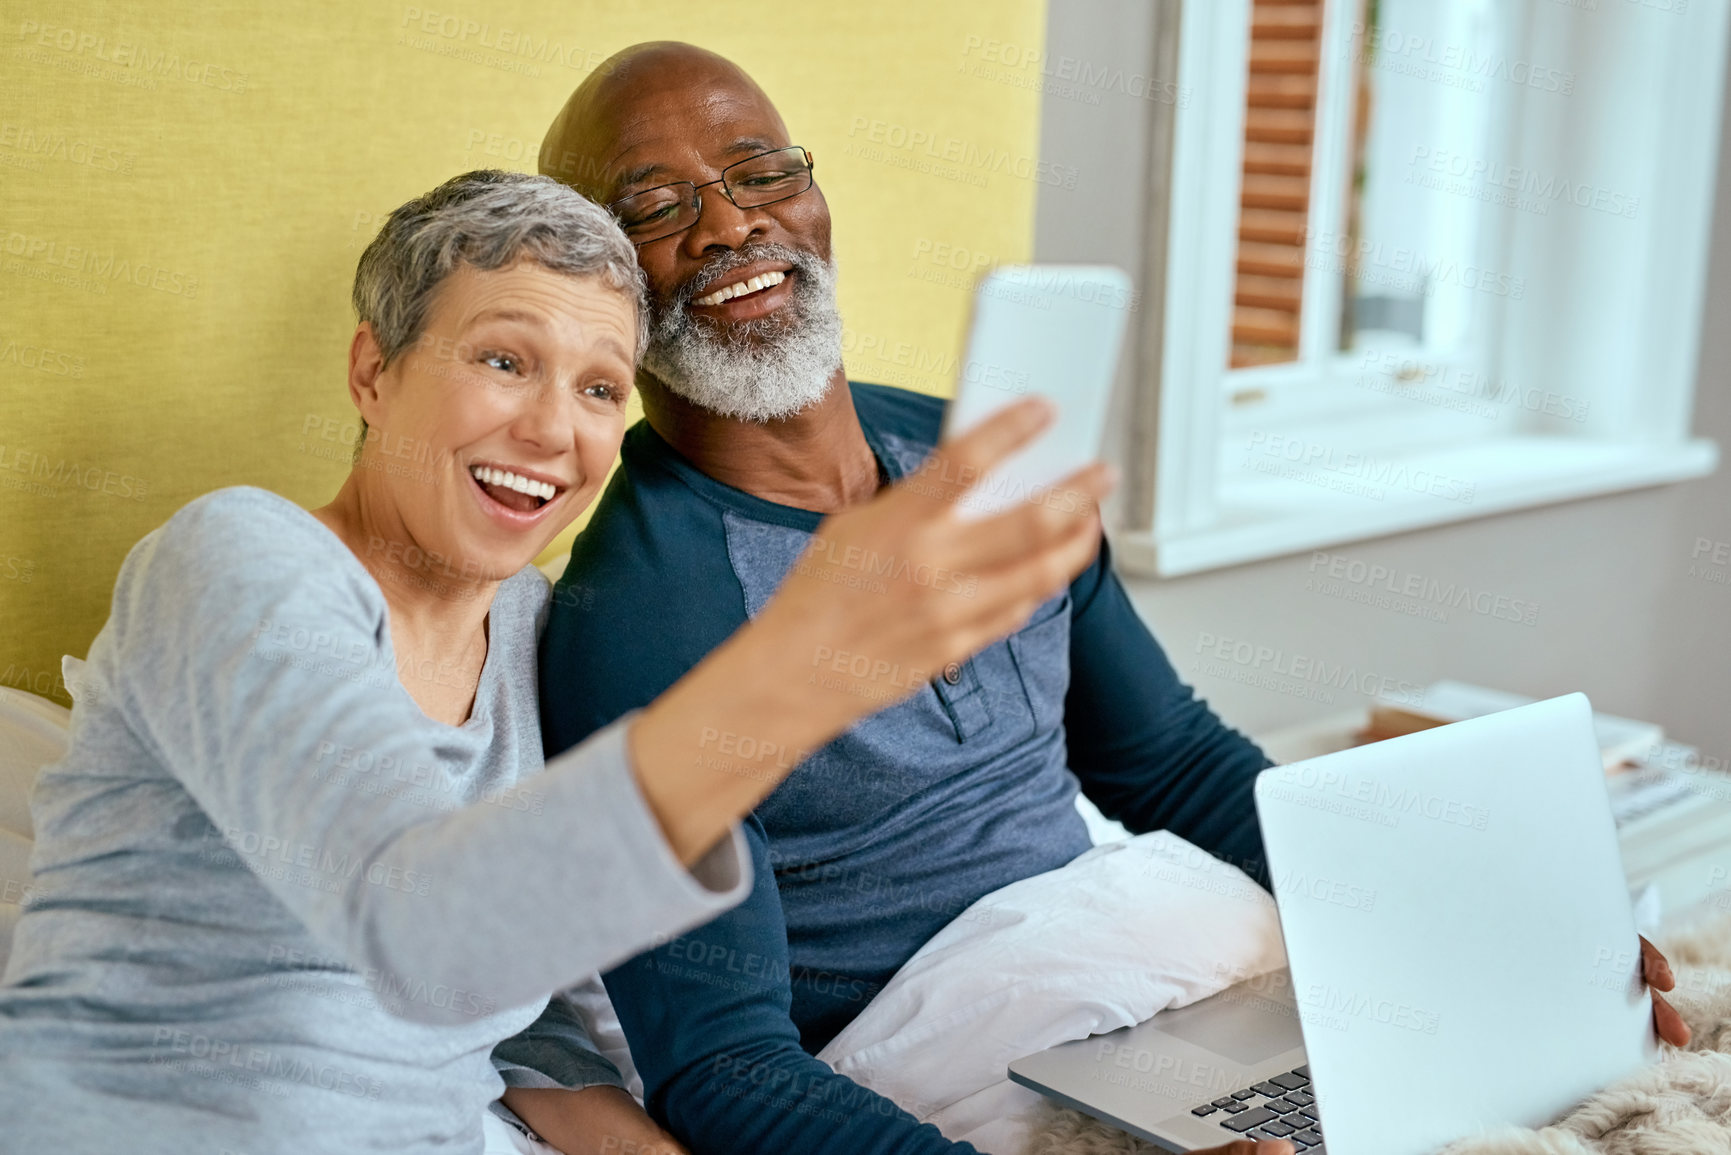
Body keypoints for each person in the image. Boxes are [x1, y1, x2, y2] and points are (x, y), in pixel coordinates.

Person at [524, 42, 1694, 1155]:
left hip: (1162, 985)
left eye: (759, 171)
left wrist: (1453, 918)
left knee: (1533, 1043)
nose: (732, 224)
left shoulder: (976, 449)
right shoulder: (637, 616)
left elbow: (1170, 762)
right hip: (955, 1055)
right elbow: (719, 1061)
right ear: (596, 285)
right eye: (655, 208)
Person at [0, 169, 1111, 1155]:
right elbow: (420, 930)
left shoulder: (538, 632)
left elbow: (510, 987)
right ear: (372, 373)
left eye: (596, 389)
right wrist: (802, 664)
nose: (552, 431)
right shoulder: (236, 562)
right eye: (503, 360)